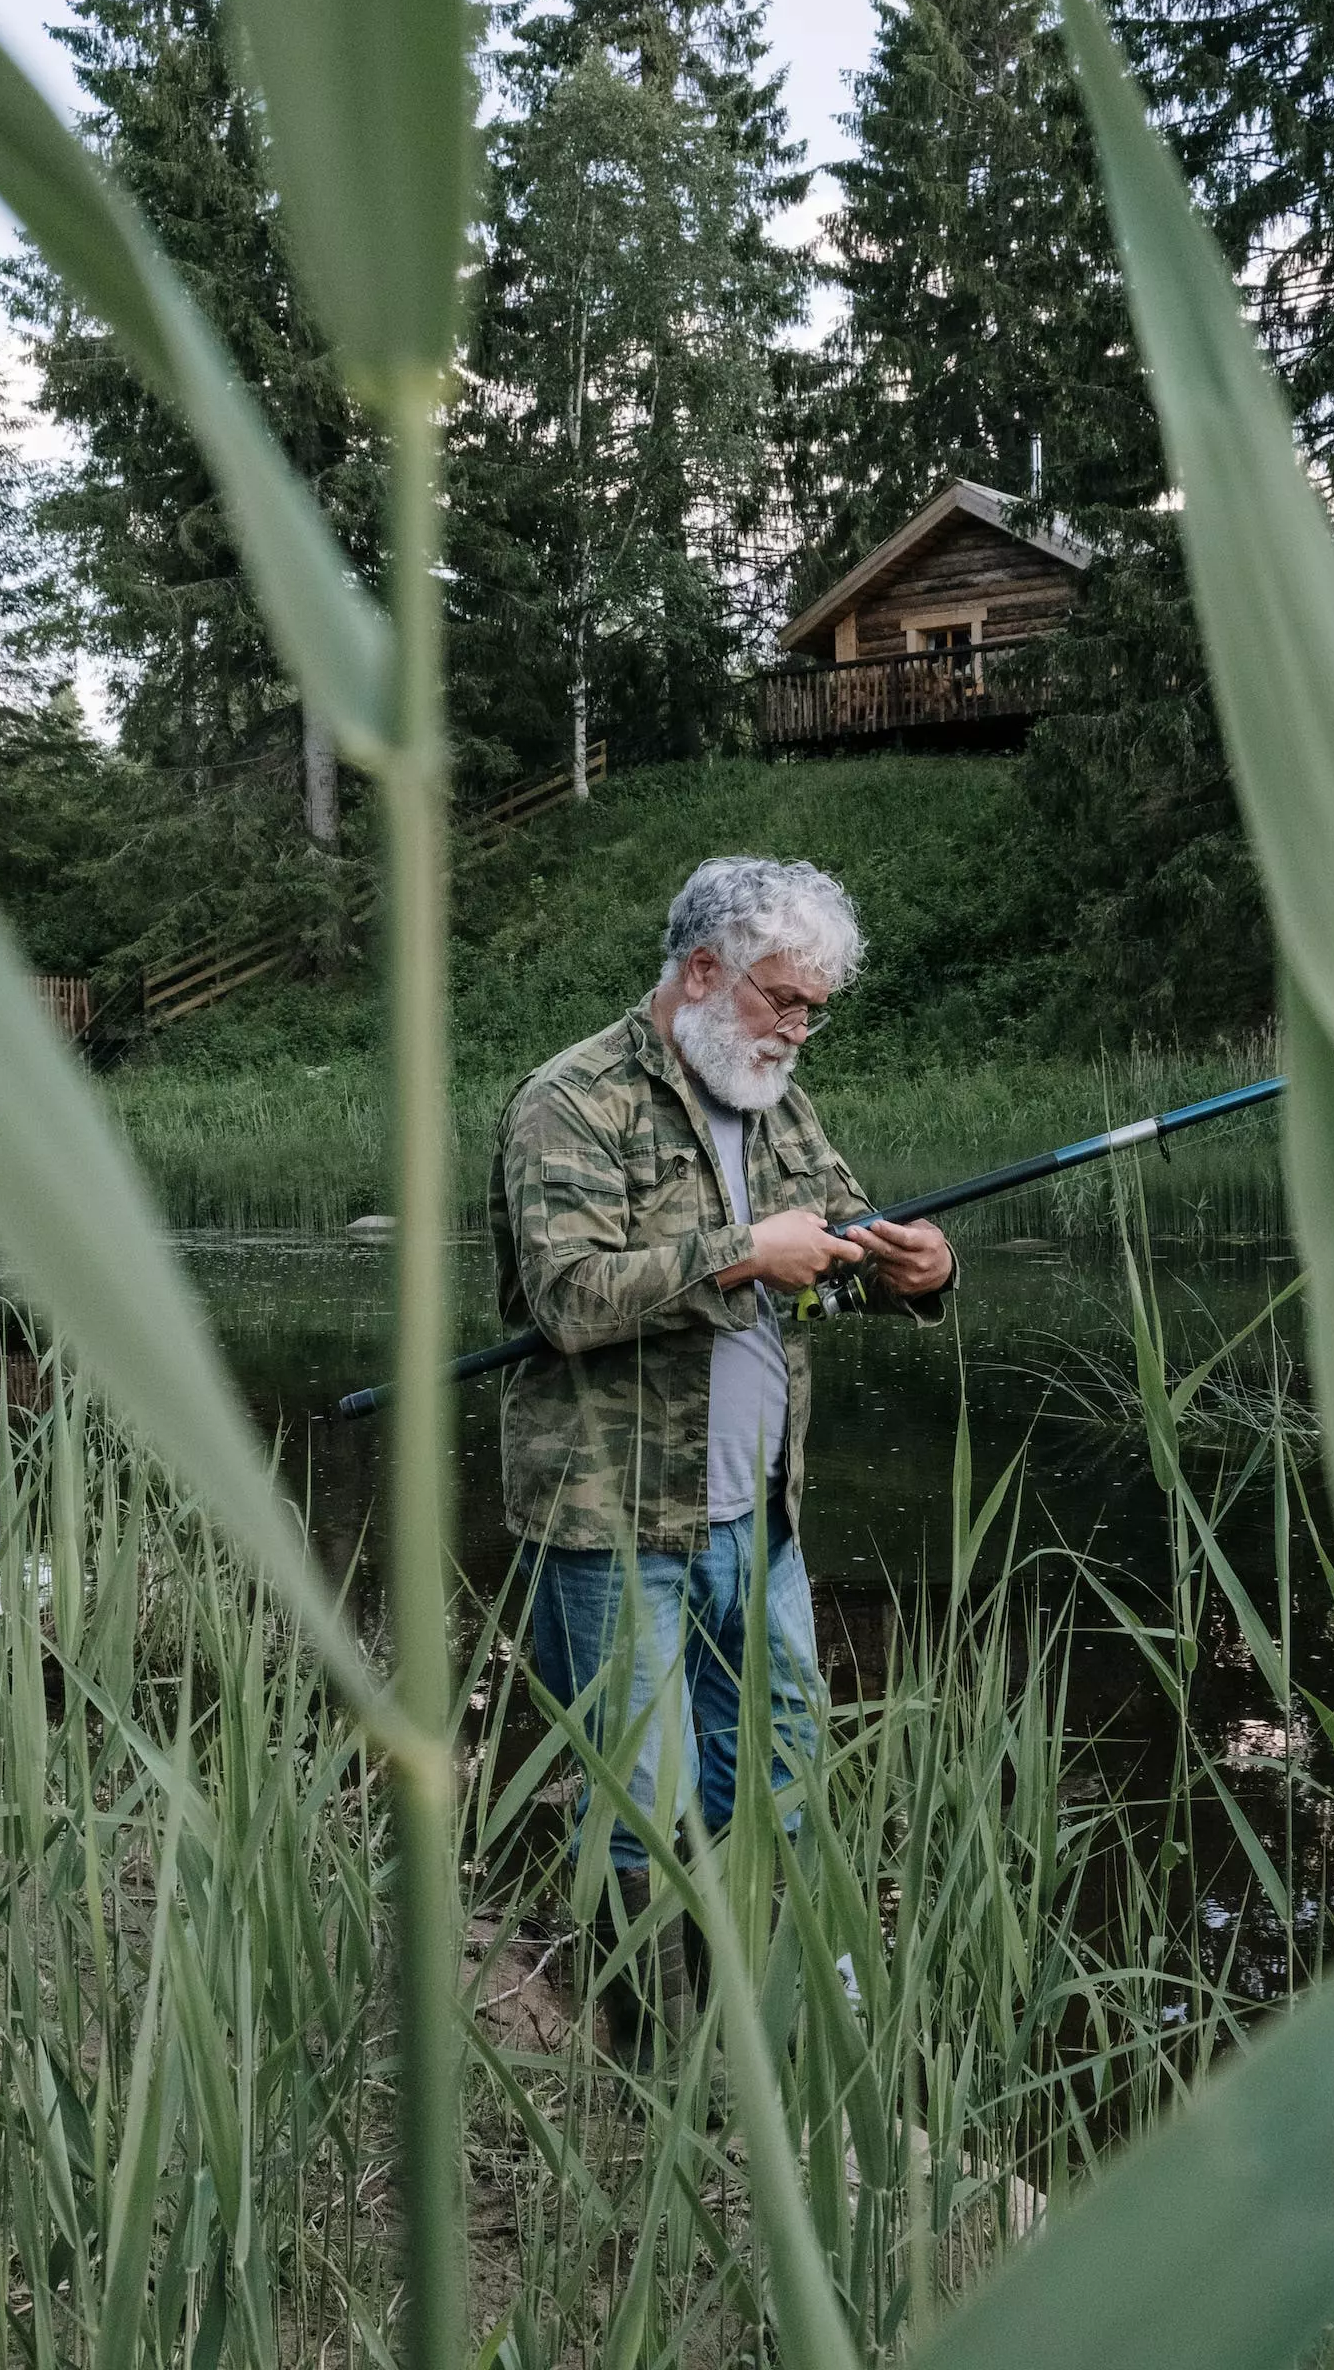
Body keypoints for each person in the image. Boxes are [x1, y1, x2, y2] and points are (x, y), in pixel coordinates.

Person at [488, 856, 956, 2052]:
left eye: (814, 1009)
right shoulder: (569, 1101)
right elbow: (567, 1297)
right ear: (702, 970)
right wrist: (746, 1251)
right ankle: (646, 2061)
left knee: (779, 1780)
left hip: (761, 1520)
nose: (798, 1030)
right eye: (780, 1001)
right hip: (608, 1523)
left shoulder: (777, 1098)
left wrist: (912, 1275)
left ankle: (764, 2023)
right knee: (637, 1808)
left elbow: (833, 1263)